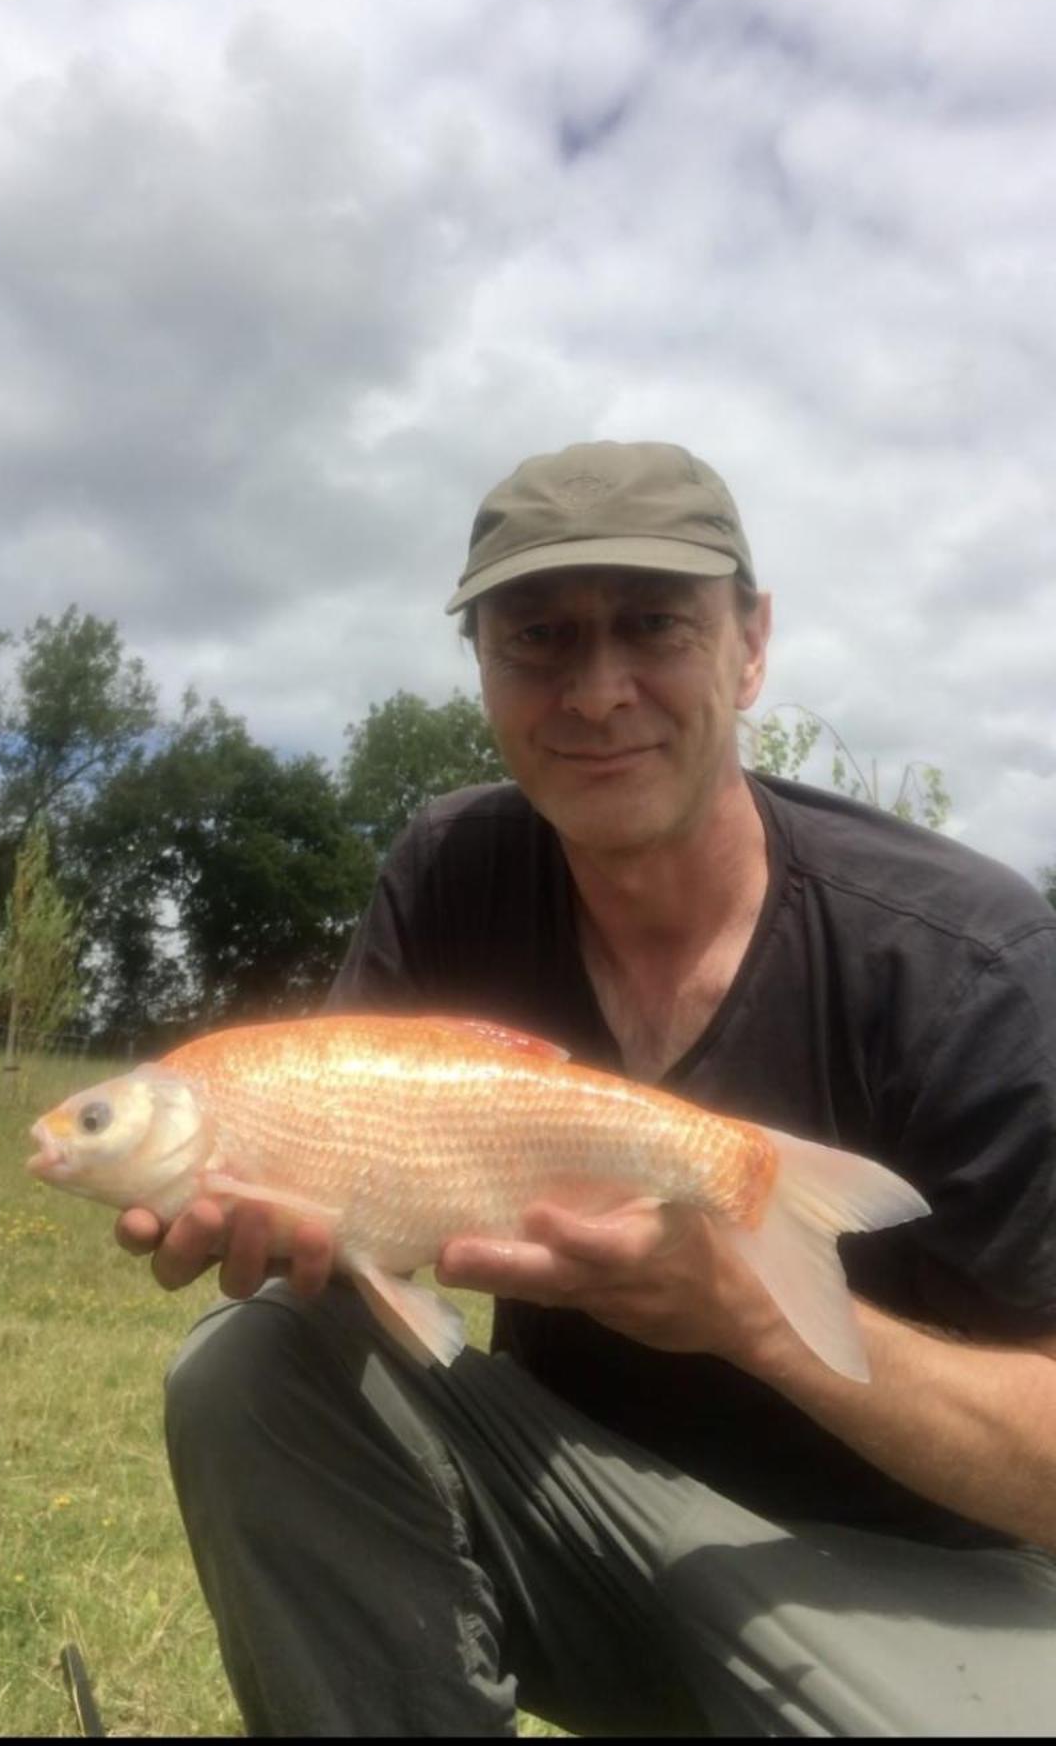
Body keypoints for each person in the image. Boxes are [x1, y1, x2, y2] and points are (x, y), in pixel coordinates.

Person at [118, 440, 1056, 1738]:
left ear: (751, 645)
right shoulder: (449, 876)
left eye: (654, 627)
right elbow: (341, 1217)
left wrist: (754, 1316)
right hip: (571, 1509)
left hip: (911, 1597)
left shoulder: (974, 963)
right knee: (249, 1367)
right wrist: (298, 1226)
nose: (597, 690)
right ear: (487, 675)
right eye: (537, 641)